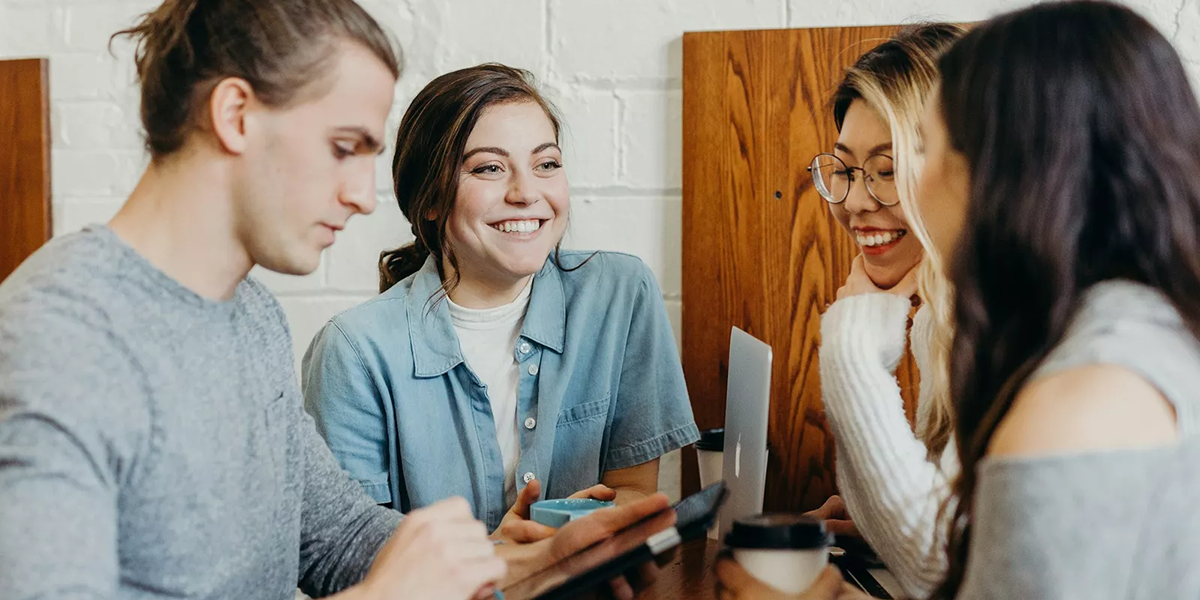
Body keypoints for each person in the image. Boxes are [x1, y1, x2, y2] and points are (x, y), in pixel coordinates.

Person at [0, 2, 670, 599]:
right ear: (235, 115)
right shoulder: (57, 341)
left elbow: (335, 538)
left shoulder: (250, 315)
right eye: (343, 148)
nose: (360, 194)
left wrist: (517, 564)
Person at [718, 1, 1200, 598]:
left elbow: (947, 565)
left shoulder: (1078, 398)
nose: (912, 185)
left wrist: (850, 356)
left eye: (930, 150)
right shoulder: (1124, 332)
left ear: (1014, 171)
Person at [302, 63, 699, 536]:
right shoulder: (352, 352)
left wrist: (584, 532)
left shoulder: (620, 294)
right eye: (489, 168)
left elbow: (634, 491)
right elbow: (351, 555)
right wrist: (504, 561)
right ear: (429, 199)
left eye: (546, 164)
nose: (527, 193)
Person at [804, 23, 965, 599]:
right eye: (844, 169)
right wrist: (877, 521)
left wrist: (851, 348)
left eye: (889, 169)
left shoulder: (1013, 325)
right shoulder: (940, 319)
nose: (854, 201)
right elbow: (950, 539)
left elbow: (940, 570)